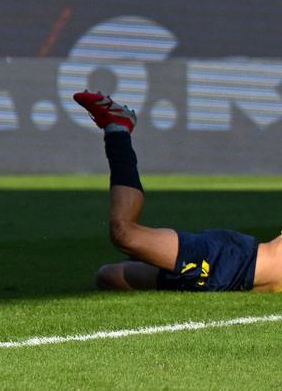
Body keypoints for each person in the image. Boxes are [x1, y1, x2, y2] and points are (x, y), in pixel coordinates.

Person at [73, 91, 282, 293]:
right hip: (230, 260)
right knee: (124, 234)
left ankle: (157, 252)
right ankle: (118, 129)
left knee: (108, 276)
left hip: (230, 282)